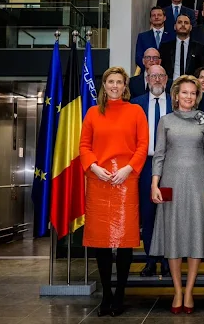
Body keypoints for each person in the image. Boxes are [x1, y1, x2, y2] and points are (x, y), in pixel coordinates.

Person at [79, 67, 149, 317]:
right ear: (104, 85)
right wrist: (94, 168)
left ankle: (120, 293)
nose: (115, 86)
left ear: (125, 86)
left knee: (124, 241)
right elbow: (84, 145)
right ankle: (106, 295)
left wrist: (129, 169)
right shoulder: (92, 113)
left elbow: (143, 145)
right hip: (99, 181)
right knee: (102, 243)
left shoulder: (136, 111)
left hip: (126, 180)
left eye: (120, 82)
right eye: (111, 81)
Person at [150, 75, 204, 315]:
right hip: (170, 185)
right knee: (174, 237)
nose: (188, 97)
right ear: (176, 96)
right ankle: (177, 290)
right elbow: (159, 154)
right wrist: (154, 184)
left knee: (194, 236)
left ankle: (189, 291)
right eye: (184, 93)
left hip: (198, 185)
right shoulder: (165, 120)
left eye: (193, 93)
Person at [130, 65, 172, 278]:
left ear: (166, 79)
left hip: (169, 167)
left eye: (160, 75)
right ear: (146, 79)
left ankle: (167, 260)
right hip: (145, 166)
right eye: (152, 76)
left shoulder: (176, 104)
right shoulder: (136, 105)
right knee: (147, 214)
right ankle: (150, 260)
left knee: (166, 213)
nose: (156, 79)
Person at [159, 14, 204, 80]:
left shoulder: (200, 48)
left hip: (191, 85)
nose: (183, 25)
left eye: (186, 23)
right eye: (179, 22)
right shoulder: (165, 47)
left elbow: (203, 70)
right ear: (175, 26)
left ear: (190, 27)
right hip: (170, 86)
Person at [135, 7, 174, 71]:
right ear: (150, 19)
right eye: (153, 15)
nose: (156, 17)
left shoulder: (172, 36)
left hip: (167, 73)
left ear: (164, 18)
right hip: (148, 73)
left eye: (159, 15)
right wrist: (150, 70)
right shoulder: (142, 36)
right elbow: (139, 57)